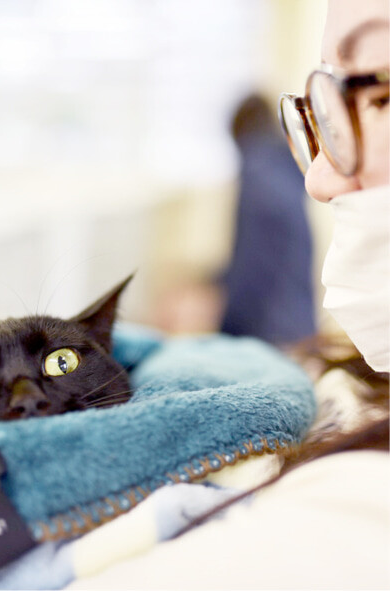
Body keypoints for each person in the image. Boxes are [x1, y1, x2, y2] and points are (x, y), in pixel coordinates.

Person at [68, 0, 389, 587]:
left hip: (272, 316)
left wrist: (224, 313)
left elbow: (259, 264)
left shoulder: (350, 522)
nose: (321, 180)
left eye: (381, 96)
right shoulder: (269, 168)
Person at [221, 92, 315, 344]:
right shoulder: (284, 164)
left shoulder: (257, 172)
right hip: (298, 320)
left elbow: (250, 261)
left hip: (268, 329)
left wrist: (227, 331)